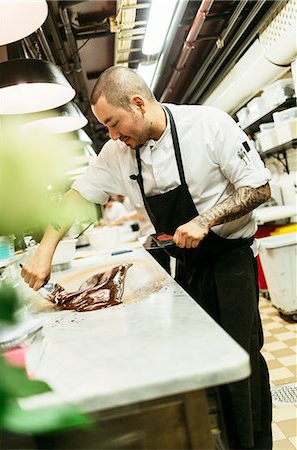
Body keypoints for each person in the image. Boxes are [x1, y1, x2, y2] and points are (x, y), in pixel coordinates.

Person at [21, 66, 272, 449]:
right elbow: (75, 201)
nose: (112, 134)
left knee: (242, 364)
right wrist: (44, 251)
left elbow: (259, 187)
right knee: (204, 363)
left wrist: (205, 220)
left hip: (230, 263)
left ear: (138, 103)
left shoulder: (208, 125)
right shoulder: (117, 154)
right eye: (106, 127)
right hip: (185, 268)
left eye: (114, 122)